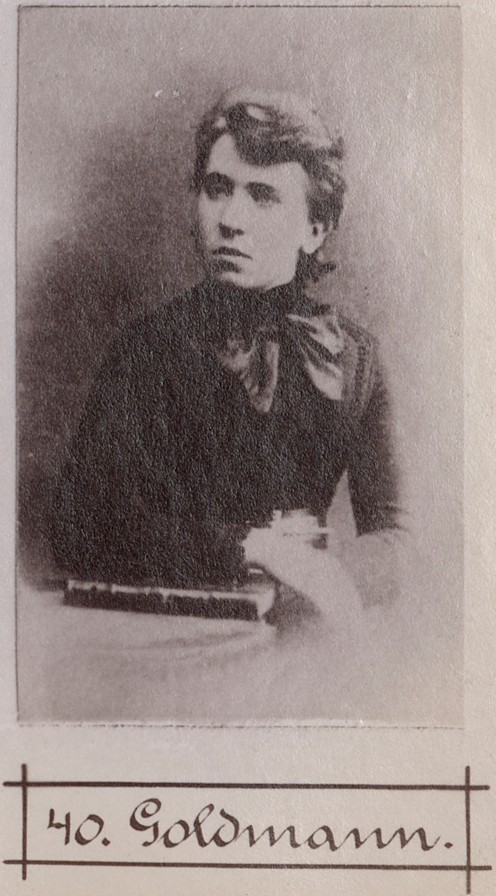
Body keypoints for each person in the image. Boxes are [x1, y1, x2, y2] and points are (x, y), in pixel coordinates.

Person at [50, 87, 406, 623]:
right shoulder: (147, 348)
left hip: (300, 630)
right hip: (171, 633)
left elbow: (398, 541)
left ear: (314, 230)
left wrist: (326, 574)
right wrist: (253, 548)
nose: (231, 218)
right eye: (217, 189)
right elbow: (78, 528)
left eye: (263, 196)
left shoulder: (355, 360)